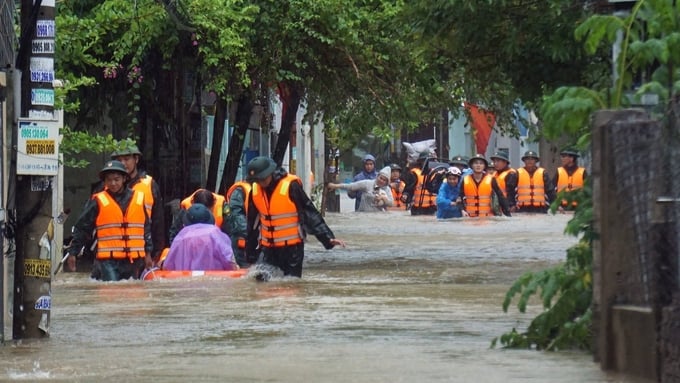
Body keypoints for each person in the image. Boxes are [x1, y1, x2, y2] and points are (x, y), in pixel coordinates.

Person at [245, 156, 345, 278]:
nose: (261, 183)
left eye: (263, 179)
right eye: (257, 180)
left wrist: (327, 237)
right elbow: (252, 225)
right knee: (260, 281)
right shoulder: (255, 191)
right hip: (268, 249)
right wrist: (250, 256)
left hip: (292, 250)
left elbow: (309, 212)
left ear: (271, 173)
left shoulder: (291, 186)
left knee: (291, 285)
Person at [68, 160, 152, 281]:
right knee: (110, 293)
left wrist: (148, 253)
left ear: (124, 179)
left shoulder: (138, 198)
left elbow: (146, 228)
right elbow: (83, 227)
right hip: (108, 261)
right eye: (109, 180)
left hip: (132, 260)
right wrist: (73, 252)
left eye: (116, 179)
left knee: (132, 294)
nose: (113, 183)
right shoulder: (98, 200)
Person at [110, 144, 166, 262]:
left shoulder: (149, 185)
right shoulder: (107, 186)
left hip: (141, 250)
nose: (123, 163)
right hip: (113, 251)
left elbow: (158, 221)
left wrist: (157, 252)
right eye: (119, 160)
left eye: (126, 159)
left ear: (136, 159)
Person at [162, 203, 238, 271]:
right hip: (213, 281)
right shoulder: (215, 233)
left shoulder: (181, 236)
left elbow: (167, 266)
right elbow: (229, 261)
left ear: (186, 221)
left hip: (186, 281)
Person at [327, 166, 393, 212]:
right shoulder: (368, 183)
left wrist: (383, 198)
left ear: (387, 182)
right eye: (381, 178)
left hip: (379, 217)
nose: (381, 181)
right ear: (377, 176)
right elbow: (351, 186)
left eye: (384, 180)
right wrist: (335, 186)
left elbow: (391, 204)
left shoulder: (387, 190)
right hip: (363, 215)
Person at [225, 179, 252, 268]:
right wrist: (252, 233)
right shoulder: (239, 192)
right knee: (244, 268)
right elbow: (237, 216)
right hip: (243, 239)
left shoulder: (262, 190)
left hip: (259, 239)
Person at [554, 147, 587, 212]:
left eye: (564, 157)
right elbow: (552, 190)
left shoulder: (582, 172)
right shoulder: (559, 171)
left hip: (578, 207)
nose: (562, 159)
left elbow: (588, 190)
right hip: (562, 207)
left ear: (571, 159)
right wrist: (557, 205)